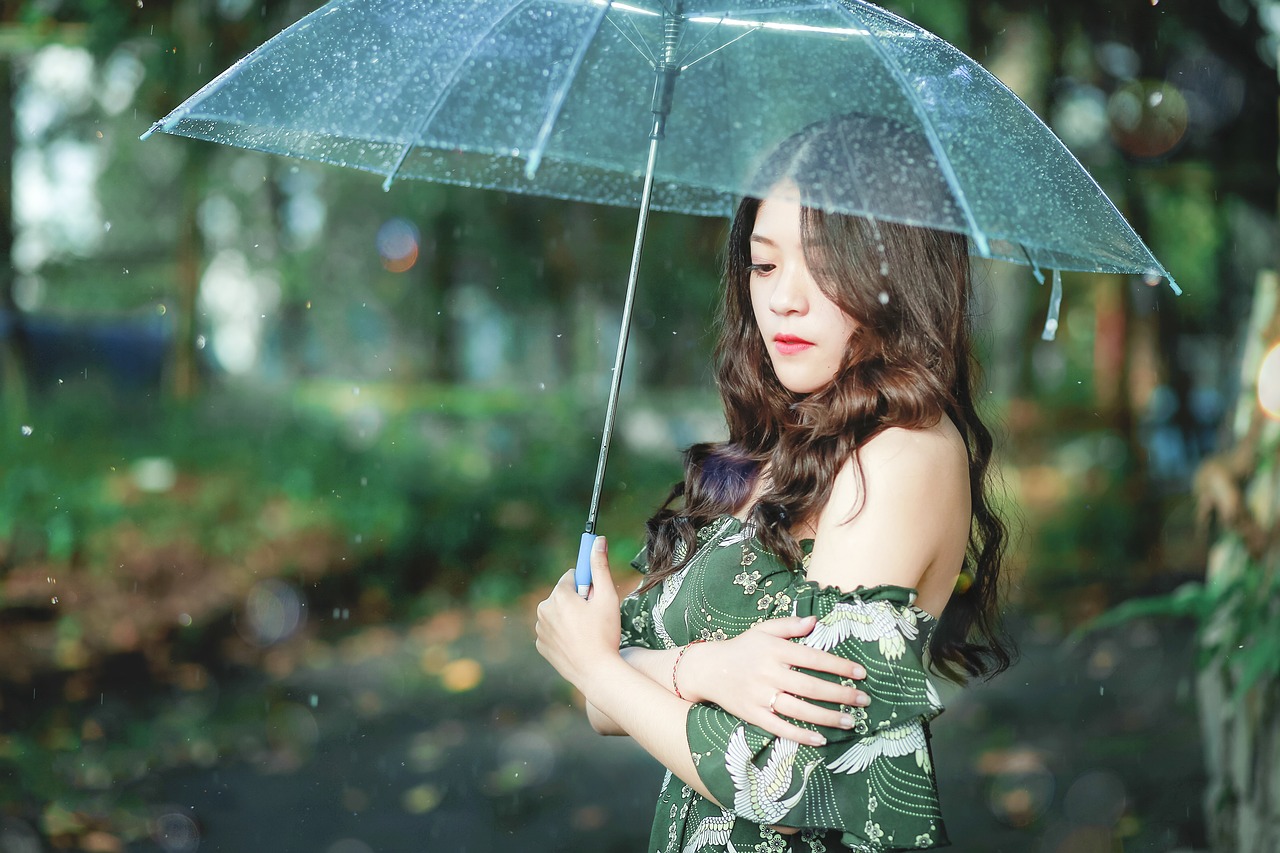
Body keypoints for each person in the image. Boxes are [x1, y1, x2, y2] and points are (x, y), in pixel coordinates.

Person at [536, 116, 1014, 852]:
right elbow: (603, 705)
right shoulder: (773, 450)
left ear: (897, 275)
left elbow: (794, 783)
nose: (784, 299)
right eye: (764, 264)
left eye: (822, 265)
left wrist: (605, 664)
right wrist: (701, 667)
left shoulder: (906, 455)